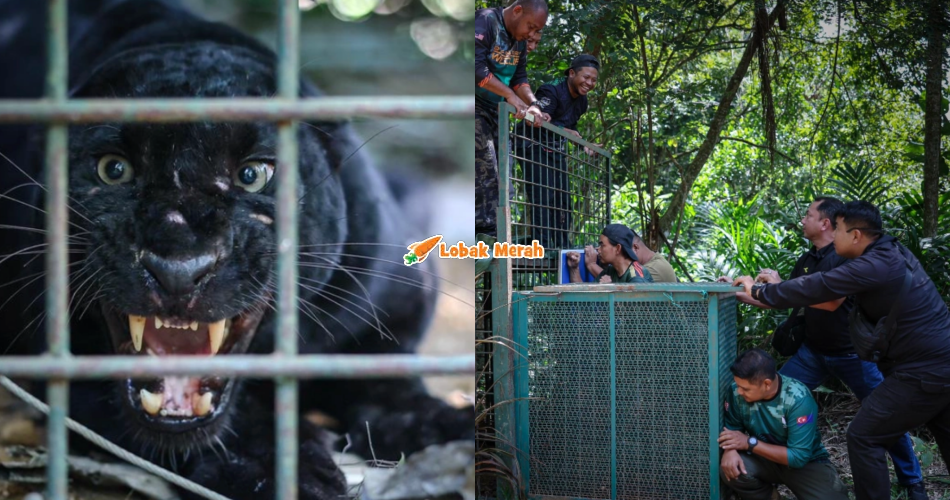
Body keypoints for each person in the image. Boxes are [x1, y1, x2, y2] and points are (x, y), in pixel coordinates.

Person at [733, 201, 950, 500]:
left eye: (839, 230)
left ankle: (912, 483)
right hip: (934, 366)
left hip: (923, 370)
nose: (834, 237)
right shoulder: (888, 253)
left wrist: (757, 290)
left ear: (857, 235)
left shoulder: (874, 264)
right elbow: (812, 290)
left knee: (864, 436)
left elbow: (820, 287)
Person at [719, 349, 849, 500]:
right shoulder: (735, 391)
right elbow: (732, 429)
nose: (739, 391)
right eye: (738, 385)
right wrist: (730, 452)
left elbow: (798, 457)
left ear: (766, 384)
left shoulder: (798, 399)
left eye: (745, 388)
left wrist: (749, 442)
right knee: (732, 469)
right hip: (763, 458)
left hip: (805, 464)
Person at [475, 0, 549, 238]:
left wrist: (533, 104)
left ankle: (497, 231)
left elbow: (520, 78)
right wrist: (508, 95)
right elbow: (474, 68)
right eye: (531, 26)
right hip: (473, 106)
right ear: (517, 10)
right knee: (486, 170)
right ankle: (484, 234)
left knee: (504, 177)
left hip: (497, 112)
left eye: (537, 31)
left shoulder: (518, 40)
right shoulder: (486, 21)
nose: (531, 34)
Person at [515, 54, 599, 249]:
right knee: (542, 195)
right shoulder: (551, 91)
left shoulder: (582, 102)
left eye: (594, 80)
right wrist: (565, 131)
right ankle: (541, 246)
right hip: (532, 145)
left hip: (554, 148)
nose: (589, 83)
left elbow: (570, 127)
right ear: (571, 73)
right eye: (586, 77)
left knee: (562, 199)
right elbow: (536, 120)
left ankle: (562, 245)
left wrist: (583, 144)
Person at [565, 224, 652, 283]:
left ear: (618, 248)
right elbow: (585, 296)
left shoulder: (636, 276)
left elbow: (636, 310)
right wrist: (574, 268)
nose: (598, 249)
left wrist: (610, 291)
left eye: (602, 245)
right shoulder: (611, 271)